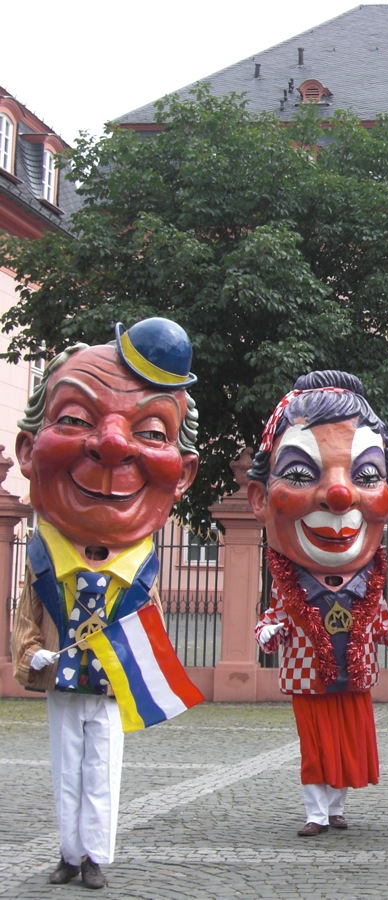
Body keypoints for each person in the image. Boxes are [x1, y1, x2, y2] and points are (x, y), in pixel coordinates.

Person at [11, 318, 201, 890]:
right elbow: (25, 618)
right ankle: (69, 853)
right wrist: (33, 656)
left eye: (149, 432)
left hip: (110, 682)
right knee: (65, 768)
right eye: (72, 419)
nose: (114, 444)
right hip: (65, 680)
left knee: (104, 770)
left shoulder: (140, 568)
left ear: (184, 472)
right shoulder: (44, 558)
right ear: (27, 449)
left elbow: (153, 624)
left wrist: (148, 673)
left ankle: (96, 855)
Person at [251, 370, 388, 837]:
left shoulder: (368, 586)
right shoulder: (289, 582)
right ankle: (315, 813)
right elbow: (269, 619)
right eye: (299, 474)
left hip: (353, 674)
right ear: (260, 497)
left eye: (366, 474)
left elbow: (382, 623)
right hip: (307, 675)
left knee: (348, 742)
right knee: (315, 743)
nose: (340, 495)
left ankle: (336, 807)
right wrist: (269, 633)